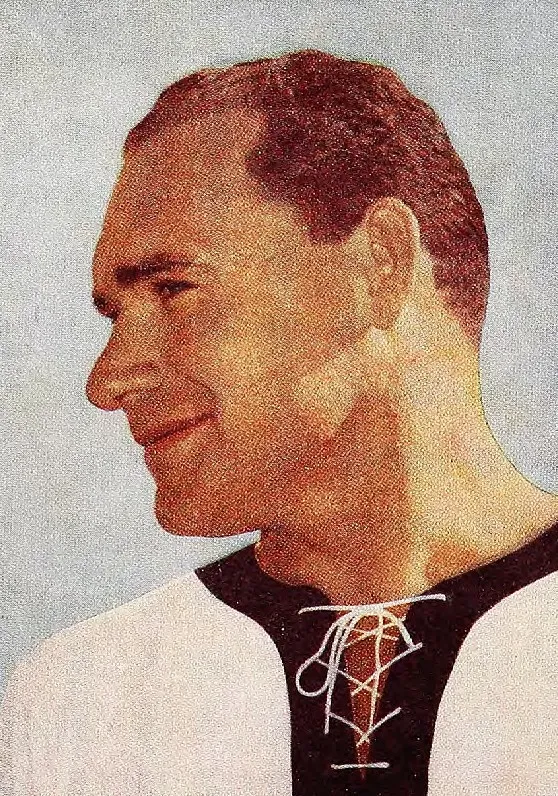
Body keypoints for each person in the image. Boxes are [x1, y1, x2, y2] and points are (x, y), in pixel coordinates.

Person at [1, 49, 557, 796]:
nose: (107, 382)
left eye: (174, 289)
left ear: (379, 268)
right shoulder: (79, 698)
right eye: (115, 315)